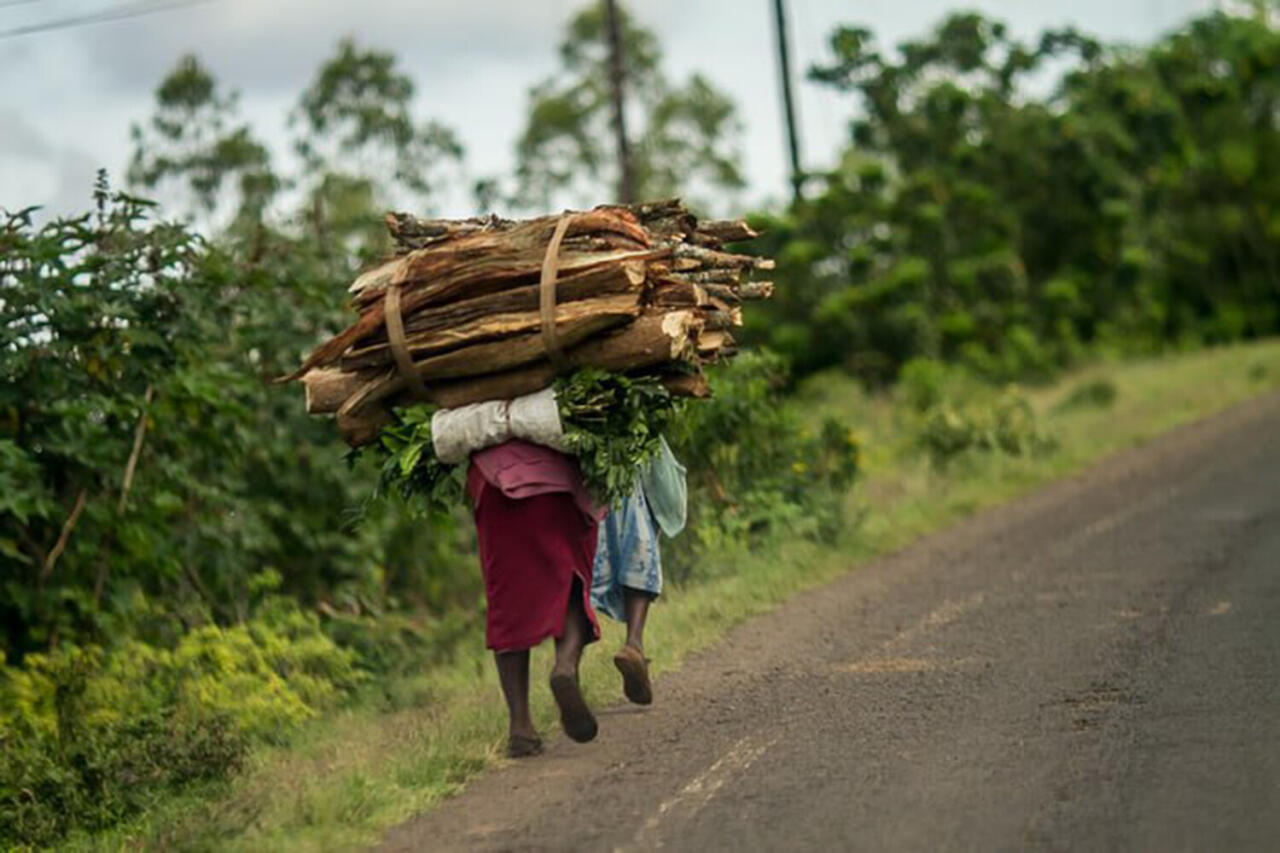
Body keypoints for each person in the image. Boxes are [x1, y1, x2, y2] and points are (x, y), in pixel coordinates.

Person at [467, 437, 606, 758]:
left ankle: (521, 727)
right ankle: (565, 666)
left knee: (507, 602)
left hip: (494, 485)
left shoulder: (465, 396)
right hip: (558, 484)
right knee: (571, 584)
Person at [591, 436, 687, 705]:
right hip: (621, 462)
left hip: (576, 470)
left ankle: (566, 668)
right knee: (639, 541)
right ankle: (634, 643)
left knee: (579, 569)